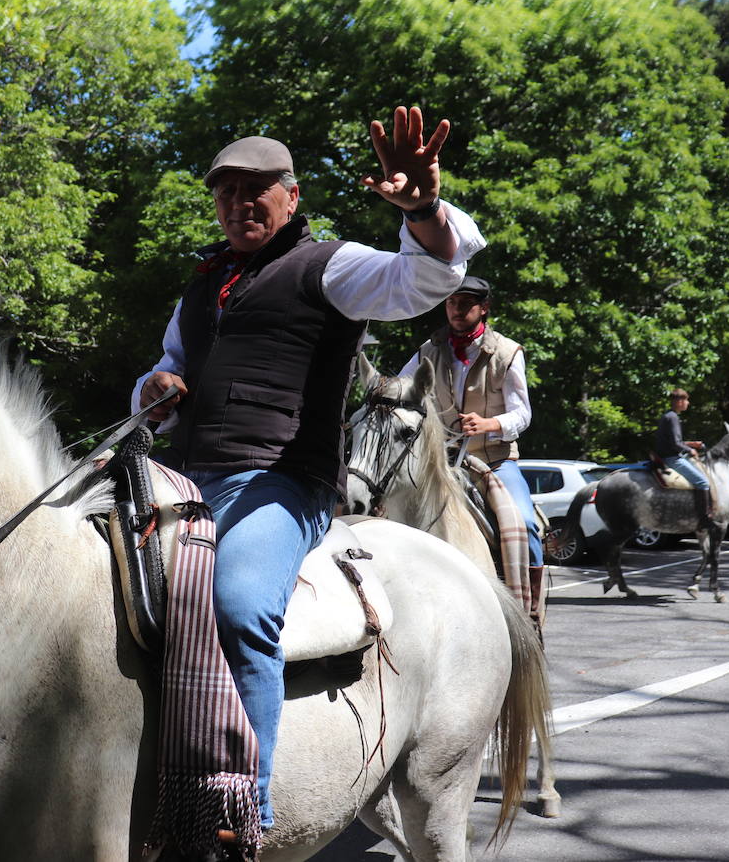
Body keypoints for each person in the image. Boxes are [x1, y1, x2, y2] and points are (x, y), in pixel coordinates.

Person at [133, 105, 485, 834]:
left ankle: (245, 805)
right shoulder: (200, 286)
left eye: (255, 188)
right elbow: (167, 367)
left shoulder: (333, 265)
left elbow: (423, 280)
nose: (238, 204)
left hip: (283, 484)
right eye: (225, 192)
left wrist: (420, 208)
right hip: (187, 480)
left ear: (291, 197)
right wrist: (154, 392)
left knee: (237, 604)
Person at [399, 276, 542, 570]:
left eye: (465, 303)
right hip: (440, 462)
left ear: (484, 308)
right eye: (451, 302)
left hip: (495, 462)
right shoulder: (429, 350)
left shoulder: (507, 352)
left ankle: (529, 612)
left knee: (524, 526)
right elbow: (402, 388)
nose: (456, 309)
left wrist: (490, 424)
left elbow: (523, 414)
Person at [653, 388, 711, 525]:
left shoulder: (668, 415)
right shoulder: (673, 418)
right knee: (703, 482)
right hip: (672, 458)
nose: (688, 403)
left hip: (666, 455)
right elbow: (675, 444)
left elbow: (672, 440)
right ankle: (703, 518)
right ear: (679, 401)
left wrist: (692, 444)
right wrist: (690, 450)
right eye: (686, 400)